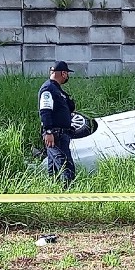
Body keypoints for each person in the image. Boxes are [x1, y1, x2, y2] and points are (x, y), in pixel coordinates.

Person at [38, 60, 76, 188]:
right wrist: (48, 131)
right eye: (67, 74)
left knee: (54, 168)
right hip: (55, 134)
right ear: (63, 73)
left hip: (60, 134)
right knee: (66, 166)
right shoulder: (48, 88)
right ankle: (69, 195)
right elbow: (45, 110)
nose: (67, 77)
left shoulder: (57, 90)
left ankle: (54, 192)